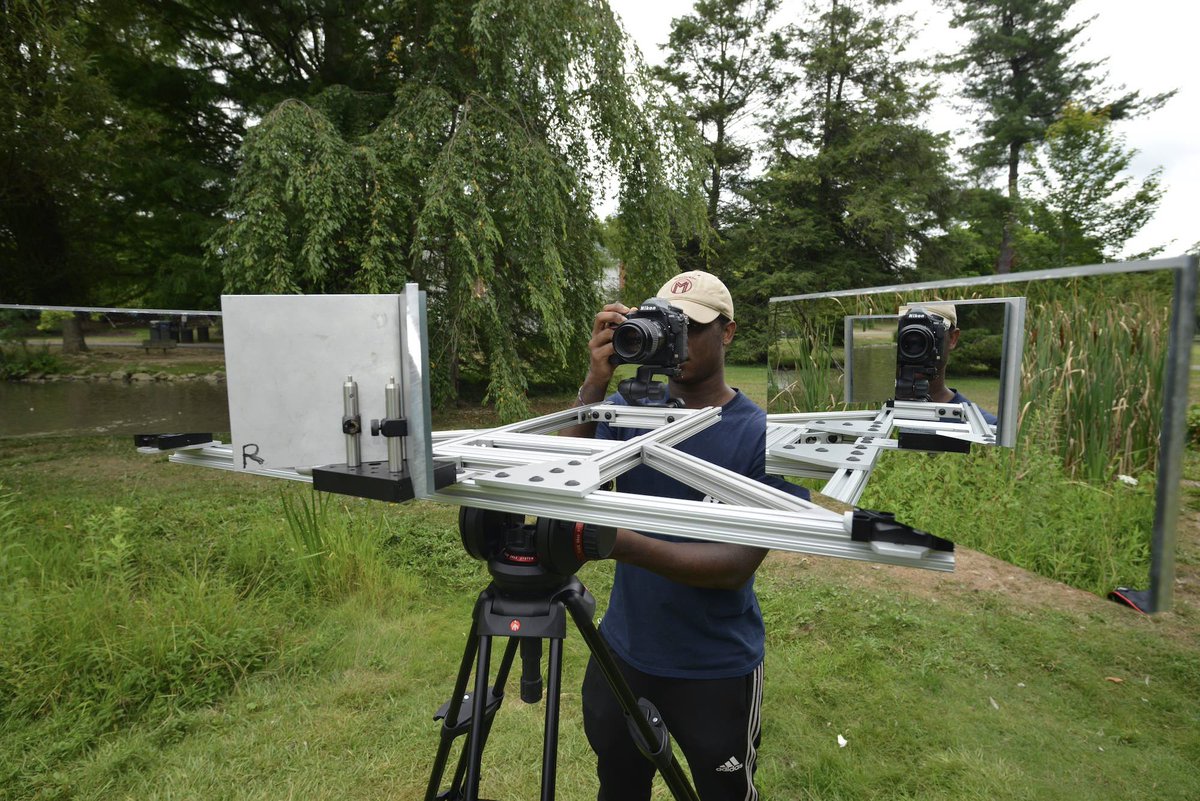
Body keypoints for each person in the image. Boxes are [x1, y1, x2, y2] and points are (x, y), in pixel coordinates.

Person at [562, 270, 809, 801]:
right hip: (623, 650)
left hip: (714, 668)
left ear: (728, 332)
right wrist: (594, 383)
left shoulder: (762, 435)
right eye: (663, 325)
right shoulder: (623, 411)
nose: (676, 342)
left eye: (691, 327)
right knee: (619, 786)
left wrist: (619, 541)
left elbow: (735, 564)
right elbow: (561, 476)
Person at [900, 302, 999, 426]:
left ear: (952, 339)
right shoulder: (872, 411)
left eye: (931, 331)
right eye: (905, 331)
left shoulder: (985, 427)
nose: (915, 342)